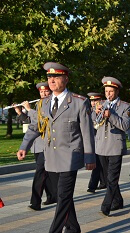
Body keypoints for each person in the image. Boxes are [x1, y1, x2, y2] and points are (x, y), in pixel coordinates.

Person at [17, 62, 96, 233]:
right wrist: (25, 145)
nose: (51, 80)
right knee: (64, 196)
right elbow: (36, 127)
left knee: (62, 196)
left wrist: (90, 157)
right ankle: (73, 228)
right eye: (49, 77)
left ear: (66, 79)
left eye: (56, 77)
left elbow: (87, 132)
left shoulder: (79, 102)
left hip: (70, 158)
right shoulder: (43, 103)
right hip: (50, 159)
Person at [14, 82, 58, 211]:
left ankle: (35, 202)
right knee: (47, 173)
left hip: (47, 144)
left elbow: (42, 120)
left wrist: (29, 110)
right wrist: (19, 112)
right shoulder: (38, 104)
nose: (43, 94)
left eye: (46, 92)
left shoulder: (53, 104)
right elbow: (31, 123)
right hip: (37, 144)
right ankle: (52, 196)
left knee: (40, 173)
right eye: (41, 92)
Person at [95, 77, 130, 216]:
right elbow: (94, 122)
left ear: (117, 91)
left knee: (112, 177)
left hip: (115, 146)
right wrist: (96, 112)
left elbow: (125, 126)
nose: (108, 94)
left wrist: (111, 115)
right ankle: (118, 200)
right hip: (101, 146)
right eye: (106, 91)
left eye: (111, 91)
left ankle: (106, 205)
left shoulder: (125, 106)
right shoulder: (100, 104)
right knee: (107, 177)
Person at [86, 92, 106, 193]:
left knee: (100, 163)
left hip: (102, 140)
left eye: (96, 101)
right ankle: (94, 185)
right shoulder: (89, 111)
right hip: (93, 140)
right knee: (98, 163)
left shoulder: (104, 110)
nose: (93, 103)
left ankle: (100, 183)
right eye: (92, 101)